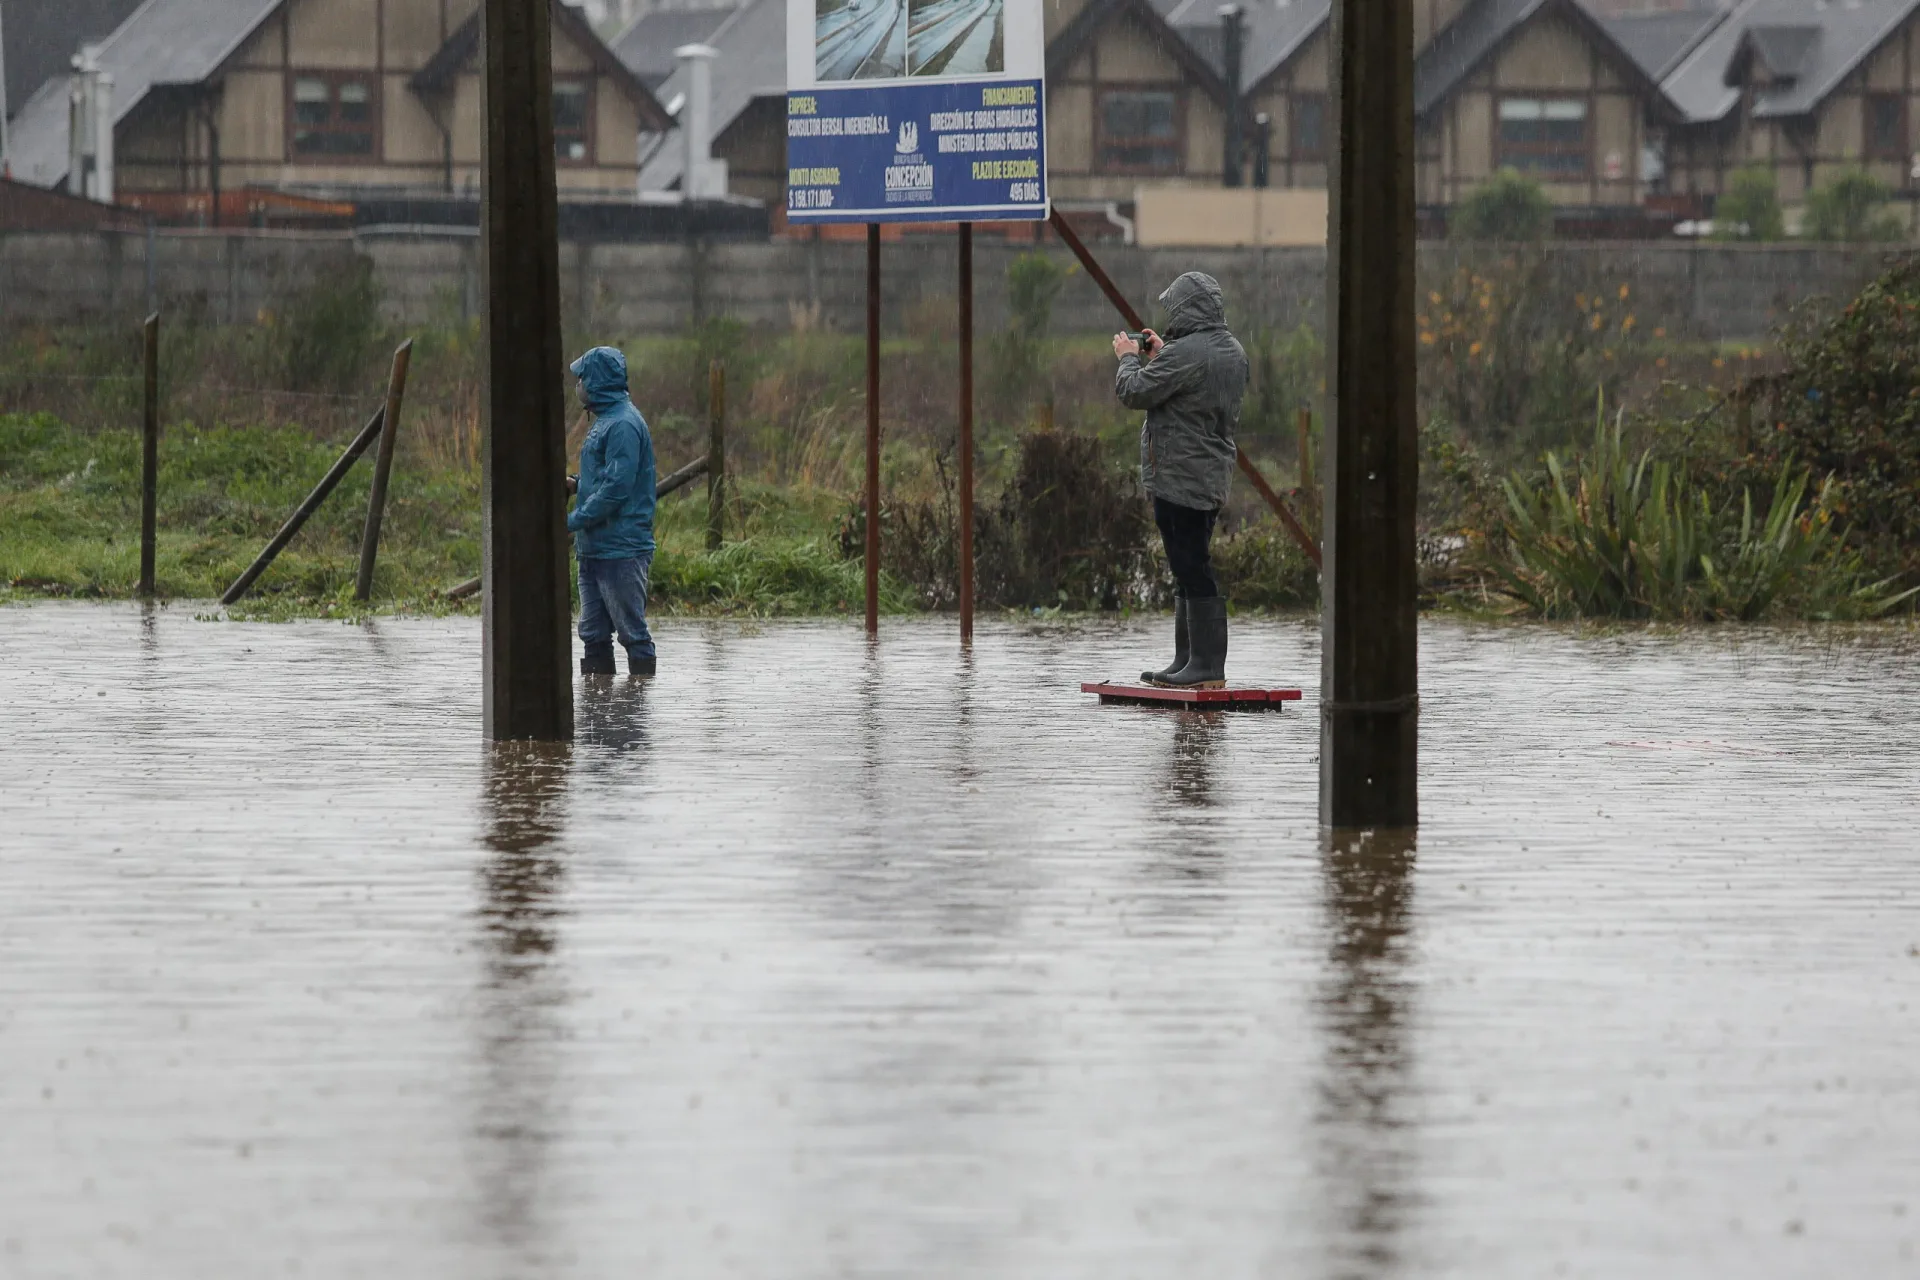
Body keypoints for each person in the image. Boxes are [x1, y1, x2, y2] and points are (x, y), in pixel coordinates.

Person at [1112, 271, 1249, 689]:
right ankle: (1188, 660)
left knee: (1191, 564)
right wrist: (1164, 352)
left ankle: (1205, 665)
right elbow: (1192, 387)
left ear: (1188, 308)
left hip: (1179, 475)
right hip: (1208, 473)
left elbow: (1134, 392)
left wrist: (1127, 357)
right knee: (1187, 564)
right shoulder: (1231, 350)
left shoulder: (1187, 354)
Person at [566, 346, 658, 678]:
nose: (578, 385)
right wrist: (576, 484)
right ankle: (599, 714)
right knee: (593, 634)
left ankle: (635, 716)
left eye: (582, 378)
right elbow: (603, 477)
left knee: (633, 634)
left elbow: (617, 488)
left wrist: (572, 521)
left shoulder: (622, 424)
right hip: (593, 548)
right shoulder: (607, 421)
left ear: (597, 380)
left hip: (621, 549)